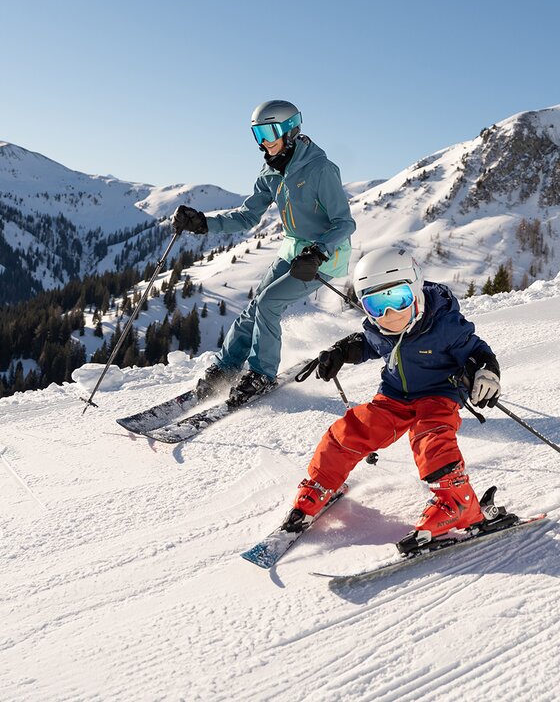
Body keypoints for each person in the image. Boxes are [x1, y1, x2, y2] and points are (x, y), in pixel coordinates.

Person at [282, 247, 503, 554]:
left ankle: (458, 503)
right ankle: (321, 484)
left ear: (414, 289)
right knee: (347, 432)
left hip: (439, 395)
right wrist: (339, 353)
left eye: (397, 299)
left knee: (430, 439)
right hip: (394, 396)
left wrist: (486, 374)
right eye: (375, 304)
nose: (389, 314)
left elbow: (478, 351)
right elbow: (366, 344)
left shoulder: (444, 325)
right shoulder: (379, 326)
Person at [171, 100, 356, 405]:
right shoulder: (270, 171)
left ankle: (261, 375)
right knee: (256, 306)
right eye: (257, 134)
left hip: (324, 256)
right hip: (293, 249)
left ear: (291, 130)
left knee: (269, 303)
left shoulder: (321, 169)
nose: (264, 141)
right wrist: (204, 223)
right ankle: (226, 366)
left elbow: (344, 223)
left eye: (270, 131)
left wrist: (319, 252)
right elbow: (247, 216)